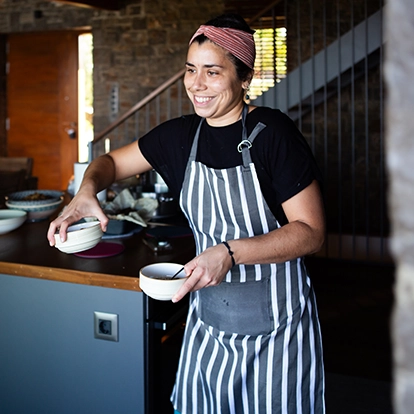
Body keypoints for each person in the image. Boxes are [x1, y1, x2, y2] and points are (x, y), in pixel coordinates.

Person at [47, 13, 326, 414]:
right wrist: (87, 190)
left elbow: (311, 232)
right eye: (191, 70)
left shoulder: (271, 134)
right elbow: (108, 161)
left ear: (244, 78)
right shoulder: (180, 136)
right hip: (208, 327)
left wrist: (229, 252)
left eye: (213, 72)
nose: (196, 84)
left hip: (277, 334)